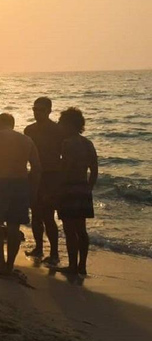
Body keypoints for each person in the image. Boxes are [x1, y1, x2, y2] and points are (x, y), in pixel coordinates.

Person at [0, 113, 42, 274]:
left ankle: (0, 262)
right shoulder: (27, 140)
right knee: (14, 227)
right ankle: (10, 265)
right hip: (20, 184)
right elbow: (36, 167)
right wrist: (33, 190)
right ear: (12, 125)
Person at [23, 97, 65, 263]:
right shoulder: (29, 130)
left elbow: (64, 154)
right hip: (34, 175)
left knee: (48, 215)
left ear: (49, 111)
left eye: (40, 110)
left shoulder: (57, 130)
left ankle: (54, 253)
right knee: (35, 214)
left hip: (51, 175)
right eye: (35, 109)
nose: (36, 112)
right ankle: (39, 247)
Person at [57, 108, 97, 276]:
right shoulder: (87, 143)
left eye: (61, 123)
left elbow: (66, 167)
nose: (59, 126)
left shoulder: (67, 143)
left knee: (69, 229)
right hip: (82, 187)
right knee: (81, 229)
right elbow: (94, 169)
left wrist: (58, 187)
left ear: (69, 124)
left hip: (69, 187)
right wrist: (89, 187)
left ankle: (72, 265)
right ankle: (82, 265)